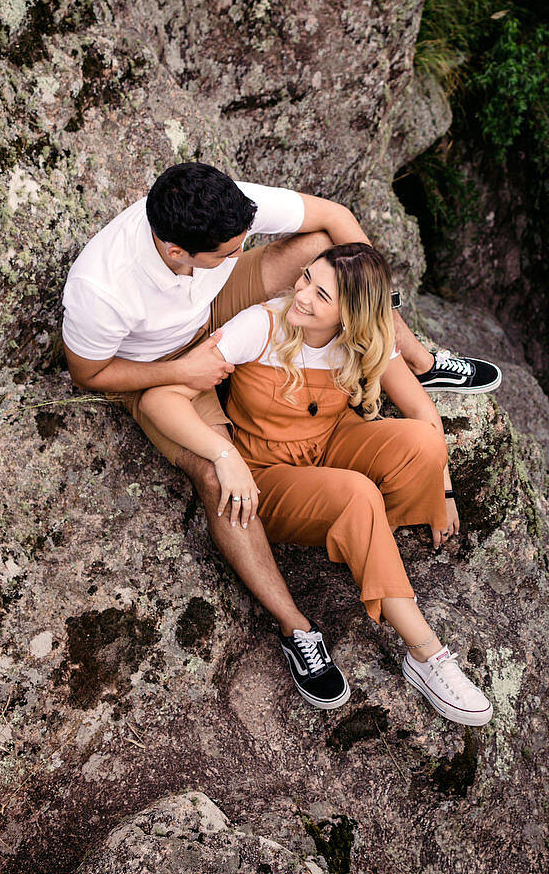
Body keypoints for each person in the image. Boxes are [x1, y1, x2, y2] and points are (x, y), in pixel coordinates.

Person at [60, 163, 499, 711]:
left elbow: (334, 219)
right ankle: (300, 629)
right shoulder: (103, 287)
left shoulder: (222, 207)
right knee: (217, 476)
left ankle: (419, 367)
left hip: (216, 315)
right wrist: (190, 376)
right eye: (230, 251)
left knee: (320, 244)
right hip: (158, 360)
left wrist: (375, 315)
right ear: (177, 252)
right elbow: (91, 375)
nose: (243, 251)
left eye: (321, 292)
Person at [138, 242, 493, 725]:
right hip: (269, 474)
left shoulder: (367, 336)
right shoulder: (262, 325)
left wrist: (443, 487)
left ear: (351, 315)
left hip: (331, 443)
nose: (301, 294)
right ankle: (426, 654)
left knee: (423, 445)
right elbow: (159, 399)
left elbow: (421, 410)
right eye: (306, 277)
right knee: (358, 496)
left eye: (321, 294)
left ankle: (366, 545)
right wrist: (225, 455)